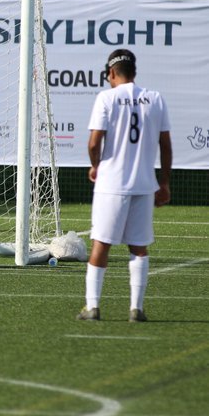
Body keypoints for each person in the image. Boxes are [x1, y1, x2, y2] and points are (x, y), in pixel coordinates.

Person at [77, 49, 172, 323]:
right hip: (144, 184)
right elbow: (165, 145)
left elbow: (94, 143)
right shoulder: (155, 98)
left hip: (111, 183)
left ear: (111, 73)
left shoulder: (106, 97)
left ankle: (92, 307)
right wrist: (163, 182)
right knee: (139, 248)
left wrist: (96, 165)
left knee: (101, 244)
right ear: (135, 72)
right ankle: (136, 309)